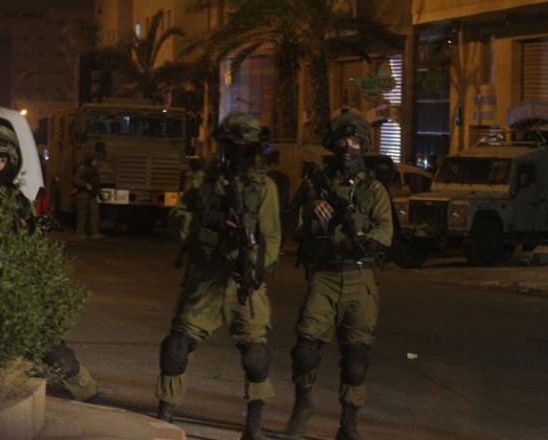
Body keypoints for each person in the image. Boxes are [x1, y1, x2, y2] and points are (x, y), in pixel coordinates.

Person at [155, 112, 281, 440]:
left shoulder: (263, 188)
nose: (239, 153)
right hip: (205, 279)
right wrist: (205, 223)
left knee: (256, 357)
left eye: (246, 147)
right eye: (233, 146)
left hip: (243, 283)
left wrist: (250, 259)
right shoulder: (204, 183)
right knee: (175, 348)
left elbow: (272, 240)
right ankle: (164, 417)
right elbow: (176, 218)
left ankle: (254, 426)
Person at [285, 109, 393, 440]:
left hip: (360, 278)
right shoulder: (314, 185)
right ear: (334, 144)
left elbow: (385, 231)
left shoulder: (373, 190)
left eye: (356, 142)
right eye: (344, 140)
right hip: (325, 276)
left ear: (364, 146)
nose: (349, 148)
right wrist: (309, 209)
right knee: (306, 351)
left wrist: (360, 241)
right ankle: (303, 404)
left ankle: (348, 423)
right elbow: (289, 223)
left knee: (356, 360)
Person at [0, 124, 101, 403]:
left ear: (10, 161)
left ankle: (87, 390)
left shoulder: (16, 200)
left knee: (50, 347)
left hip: (17, 284)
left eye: (1, 160)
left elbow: (31, 245)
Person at [72, 154, 102, 239]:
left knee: (95, 213)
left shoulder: (93, 169)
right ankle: (81, 233)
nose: (96, 162)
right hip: (83, 193)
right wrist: (85, 184)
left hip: (92, 194)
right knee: (83, 214)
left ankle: (95, 233)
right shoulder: (83, 168)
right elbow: (76, 179)